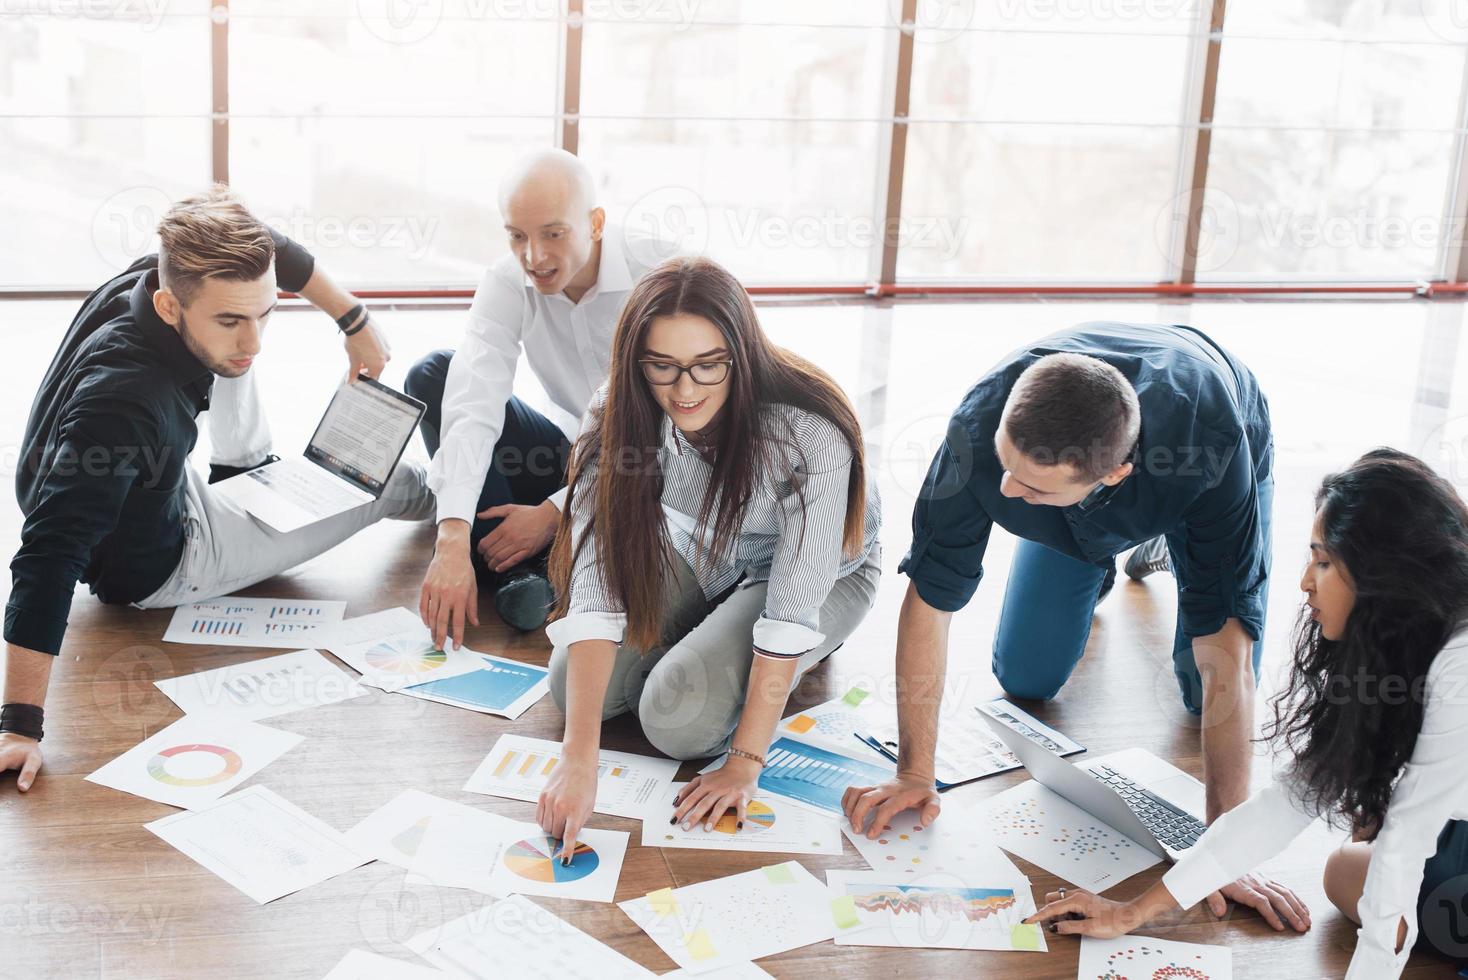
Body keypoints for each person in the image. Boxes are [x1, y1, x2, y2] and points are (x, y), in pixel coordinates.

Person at [844, 321, 1302, 927]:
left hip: (1203, 477)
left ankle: (1163, 541)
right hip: (1080, 503)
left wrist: (1221, 853)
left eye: (1028, 485)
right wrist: (914, 772)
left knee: (1201, 690)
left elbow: (1230, 656)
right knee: (1026, 674)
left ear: (1110, 475)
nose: (1003, 488)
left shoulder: (1211, 446)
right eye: (1005, 466)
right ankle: (1116, 548)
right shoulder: (980, 429)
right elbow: (930, 601)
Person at [0, 188, 434, 793]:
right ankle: (468, 505)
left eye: (266, 314)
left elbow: (270, 248)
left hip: (146, 486)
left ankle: (246, 475)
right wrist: (19, 726)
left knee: (231, 359)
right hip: (169, 561)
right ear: (168, 304)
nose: (255, 340)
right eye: (232, 320)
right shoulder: (124, 403)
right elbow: (47, 556)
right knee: (382, 481)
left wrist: (353, 321)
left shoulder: (166, 273)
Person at [1028, 448, 1468, 979]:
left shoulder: (1459, 665)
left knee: (1384, 864)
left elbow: (1406, 841)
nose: (1306, 581)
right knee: (1348, 870)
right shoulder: (1405, 639)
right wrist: (1132, 912)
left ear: (1385, 577)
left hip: (1439, 823)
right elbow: (1287, 804)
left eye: (1325, 562)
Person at [535, 257, 882, 862]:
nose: (685, 390)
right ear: (635, 361)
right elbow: (594, 578)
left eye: (708, 366)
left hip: (813, 576)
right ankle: (708, 639)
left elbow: (792, 605)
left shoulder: (809, 431)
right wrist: (576, 757)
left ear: (741, 355)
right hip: (709, 548)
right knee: (572, 686)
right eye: (662, 367)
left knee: (678, 722)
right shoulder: (615, 407)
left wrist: (745, 763)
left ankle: (750, 655)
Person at [409, 148, 666, 639]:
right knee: (435, 374)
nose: (534, 257)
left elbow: (681, 433)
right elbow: (472, 402)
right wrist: (451, 536)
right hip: (573, 456)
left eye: (554, 233)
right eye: (517, 236)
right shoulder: (508, 282)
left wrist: (556, 509)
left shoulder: (659, 273)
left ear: (594, 223)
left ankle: (532, 568)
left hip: (655, 473)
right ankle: (526, 573)